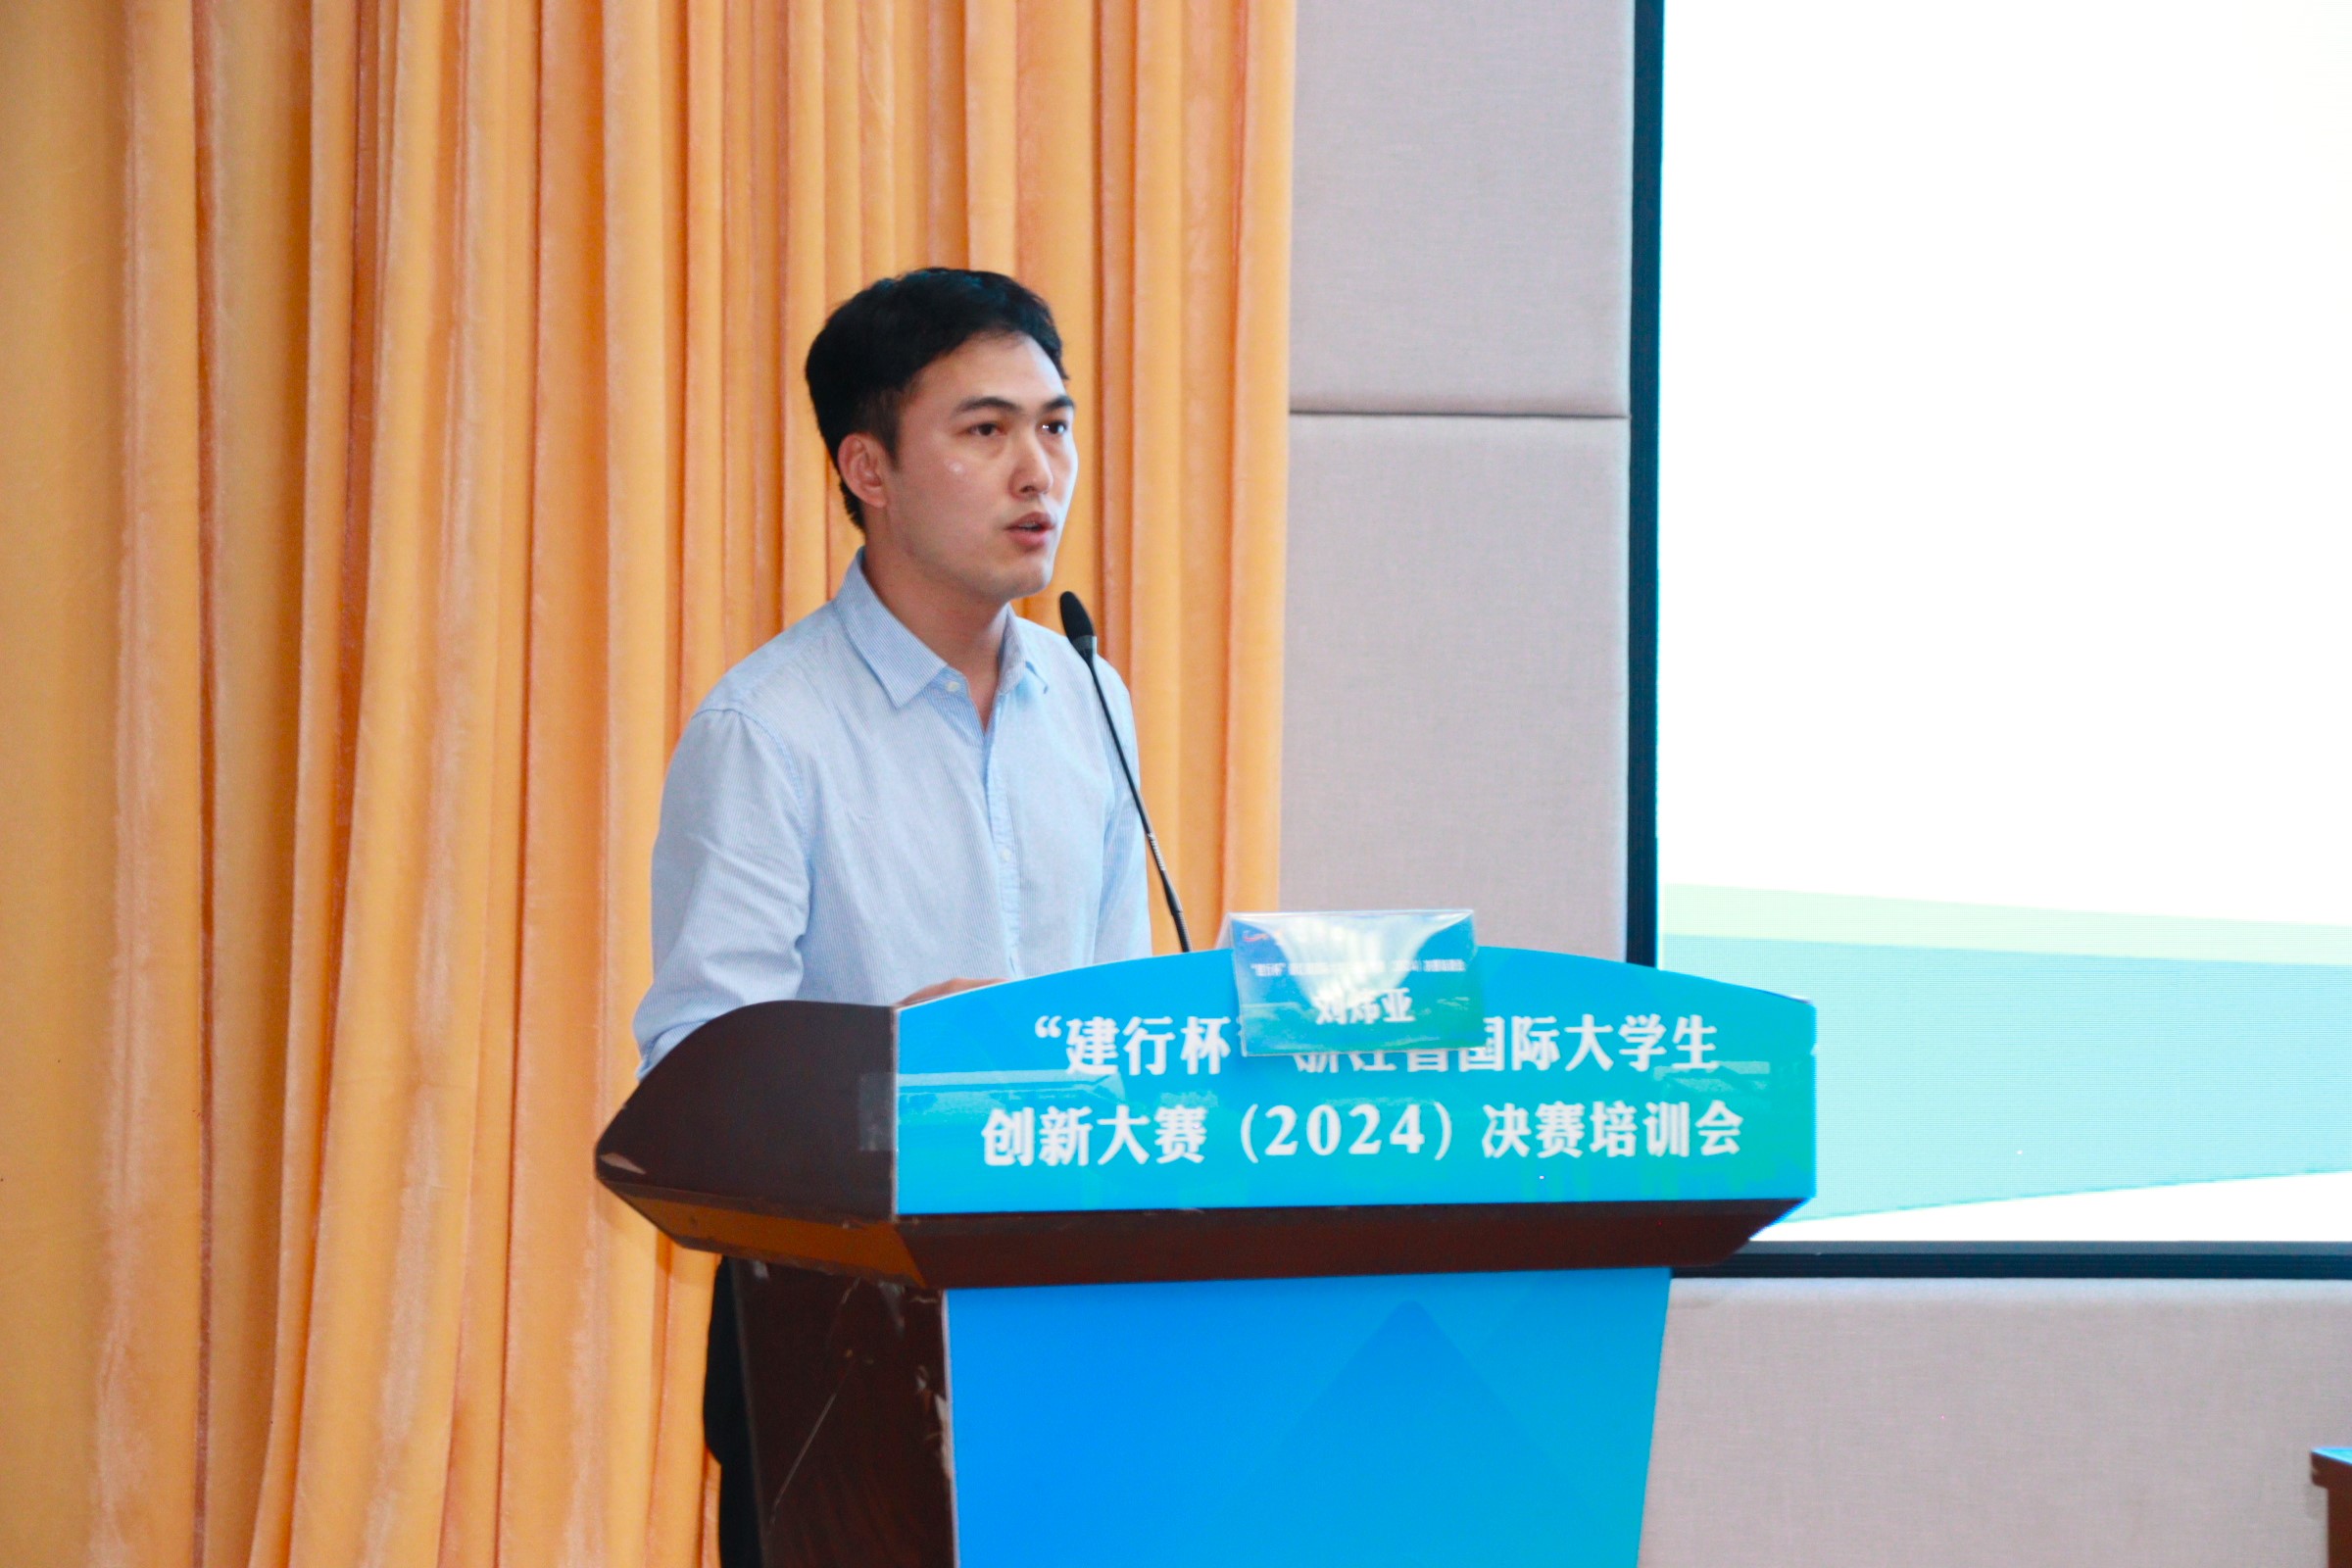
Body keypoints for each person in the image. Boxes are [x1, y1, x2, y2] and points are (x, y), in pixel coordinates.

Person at [631, 269, 1152, 1564]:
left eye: (1055, 425)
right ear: (868, 468)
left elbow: (1119, 1005)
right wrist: (894, 1056)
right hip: (837, 1336)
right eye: (985, 431)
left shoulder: (1091, 699)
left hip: (1062, 1315)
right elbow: (699, 1070)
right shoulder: (768, 729)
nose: (1039, 471)